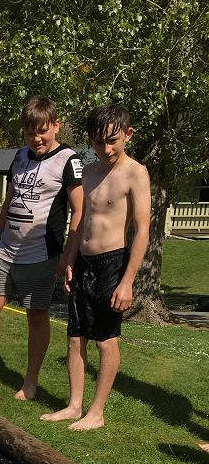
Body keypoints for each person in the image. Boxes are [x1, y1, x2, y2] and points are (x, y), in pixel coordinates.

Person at [0, 96, 83, 399]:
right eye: (30, 133)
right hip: (7, 249)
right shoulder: (20, 156)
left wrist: (68, 256)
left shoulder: (69, 160)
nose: (36, 139)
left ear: (56, 126)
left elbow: (79, 211)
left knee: (36, 315)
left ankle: (30, 382)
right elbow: (7, 203)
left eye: (42, 131)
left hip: (41, 254)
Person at [41, 104, 151, 431]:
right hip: (83, 262)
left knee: (105, 340)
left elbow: (142, 230)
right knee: (75, 337)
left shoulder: (135, 173)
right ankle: (74, 405)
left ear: (128, 135)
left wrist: (127, 281)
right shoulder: (88, 172)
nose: (106, 149)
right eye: (99, 142)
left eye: (112, 141)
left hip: (112, 264)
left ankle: (97, 412)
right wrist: (69, 259)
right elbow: (81, 223)